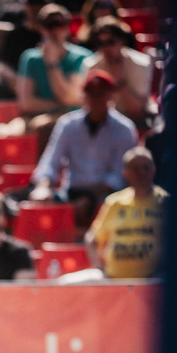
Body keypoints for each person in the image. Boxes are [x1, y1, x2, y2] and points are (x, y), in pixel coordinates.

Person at [30, 69, 137, 234]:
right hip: (72, 192)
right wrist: (43, 187)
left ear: (110, 96)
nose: (96, 100)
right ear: (84, 96)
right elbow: (51, 161)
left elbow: (119, 176)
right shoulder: (68, 124)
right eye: (91, 94)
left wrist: (90, 198)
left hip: (106, 195)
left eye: (101, 94)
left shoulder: (124, 129)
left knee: (110, 203)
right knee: (39, 203)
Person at [15, 4, 92, 151]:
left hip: (76, 118)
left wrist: (53, 64)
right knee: (37, 126)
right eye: (48, 25)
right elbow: (26, 103)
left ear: (67, 27)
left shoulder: (82, 57)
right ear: (40, 28)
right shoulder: (30, 58)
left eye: (59, 24)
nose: (54, 30)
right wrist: (60, 106)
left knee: (46, 126)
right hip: (40, 119)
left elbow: (70, 98)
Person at [85, 146, 167, 278]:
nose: (141, 173)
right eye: (135, 168)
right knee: (63, 284)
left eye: (145, 167)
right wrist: (98, 266)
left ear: (154, 170)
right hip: (111, 279)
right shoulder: (114, 202)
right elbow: (92, 238)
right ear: (125, 173)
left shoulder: (166, 202)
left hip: (155, 282)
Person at [83, 18, 155, 128]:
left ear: (122, 40)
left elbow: (138, 111)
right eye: (101, 43)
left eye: (110, 42)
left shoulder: (141, 63)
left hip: (135, 122)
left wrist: (119, 79)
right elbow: (90, 107)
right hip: (103, 123)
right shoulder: (91, 66)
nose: (106, 48)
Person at [0, 0, 44, 101]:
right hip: (15, 85)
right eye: (31, 4)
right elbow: (0, 64)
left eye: (39, 3)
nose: (35, 8)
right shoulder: (15, 35)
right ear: (25, 6)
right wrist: (16, 80)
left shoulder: (53, 34)